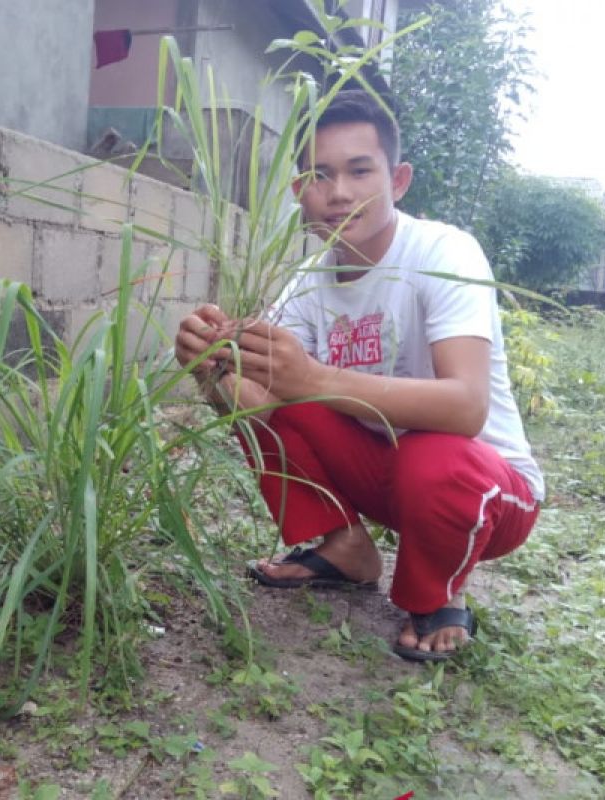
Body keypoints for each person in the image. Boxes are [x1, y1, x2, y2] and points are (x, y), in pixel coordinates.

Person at [173, 89, 544, 662]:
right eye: (319, 175)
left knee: (433, 457)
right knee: (286, 400)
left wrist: (314, 379)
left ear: (398, 181)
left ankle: (436, 594)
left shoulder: (444, 251)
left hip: (488, 489)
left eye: (359, 171)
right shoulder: (307, 281)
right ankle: (346, 550)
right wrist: (209, 366)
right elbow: (260, 410)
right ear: (300, 193)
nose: (339, 192)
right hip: (388, 476)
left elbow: (467, 407)